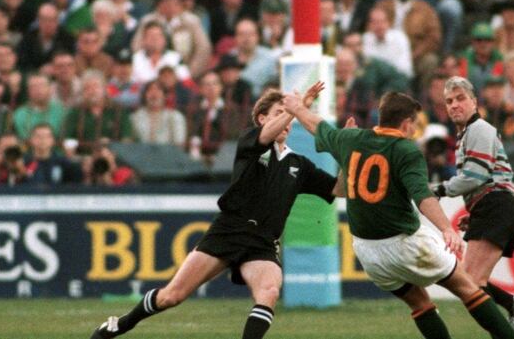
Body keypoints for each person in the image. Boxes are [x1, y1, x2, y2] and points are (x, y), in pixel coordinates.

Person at [90, 82, 341, 339]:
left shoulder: (299, 164)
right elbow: (266, 136)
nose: (287, 120)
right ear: (261, 118)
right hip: (228, 231)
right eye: (279, 113)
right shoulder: (251, 140)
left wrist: (351, 156)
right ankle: (121, 324)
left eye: (287, 114)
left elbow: (338, 188)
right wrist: (295, 109)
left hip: (263, 242)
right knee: (171, 296)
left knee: (269, 292)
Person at [283, 89, 514, 339]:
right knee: (468, 288)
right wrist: (446, 228)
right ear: (406, 123)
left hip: (367, 251)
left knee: (420, 303)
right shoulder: (406, 150)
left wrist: (297, 108)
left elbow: (317, 125)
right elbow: (423, 197)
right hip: (405, 242)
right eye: (414, 124)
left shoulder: (349, 138)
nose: (414, 129)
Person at [431, 76, 514, 333]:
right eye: (449, 101)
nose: (454, 105)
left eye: (460, 98)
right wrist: (475, 210)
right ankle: (512, 304)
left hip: (497, 205)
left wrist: (439, 190)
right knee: (470, 281)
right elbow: (481, 179)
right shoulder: (468, 133)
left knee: (469, 282)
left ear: (474, 102)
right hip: (493, 206)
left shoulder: (479, 129)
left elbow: (475, 176)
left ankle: (509, 317)